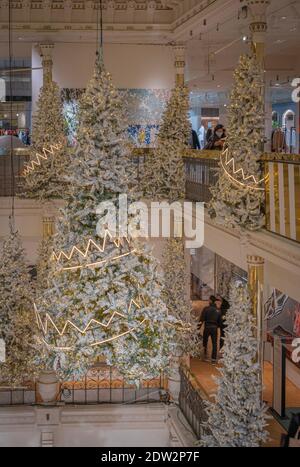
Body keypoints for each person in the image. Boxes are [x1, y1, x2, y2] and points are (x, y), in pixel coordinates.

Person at [198, 295, 221, 364]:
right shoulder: (218, 310)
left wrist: (198, 328)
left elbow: (202, 319)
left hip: (207, 327)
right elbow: (220, 322)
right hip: (214, 328)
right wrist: (217, 326)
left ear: (210, 300)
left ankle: (205, 356)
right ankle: (213, 359)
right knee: (214, 343)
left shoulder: (206, 309)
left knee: (205, 342)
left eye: (209, 300)